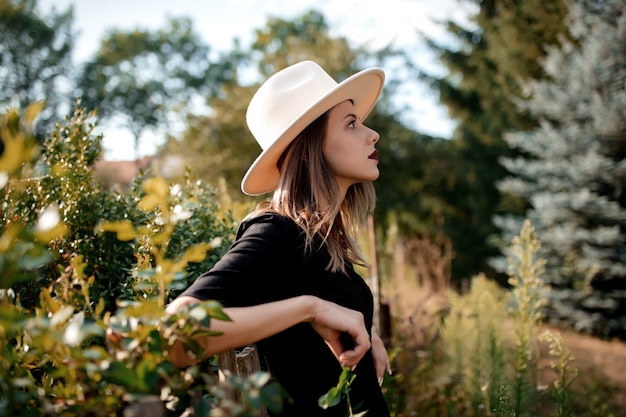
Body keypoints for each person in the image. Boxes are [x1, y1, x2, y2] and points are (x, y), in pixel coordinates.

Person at [166, 60, 391, 416]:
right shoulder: (276, 232)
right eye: (351, 124)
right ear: (311, 146)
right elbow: (175, 336)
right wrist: (309, 309)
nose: (372, 133)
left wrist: (362, 328)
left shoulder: (322, 238)